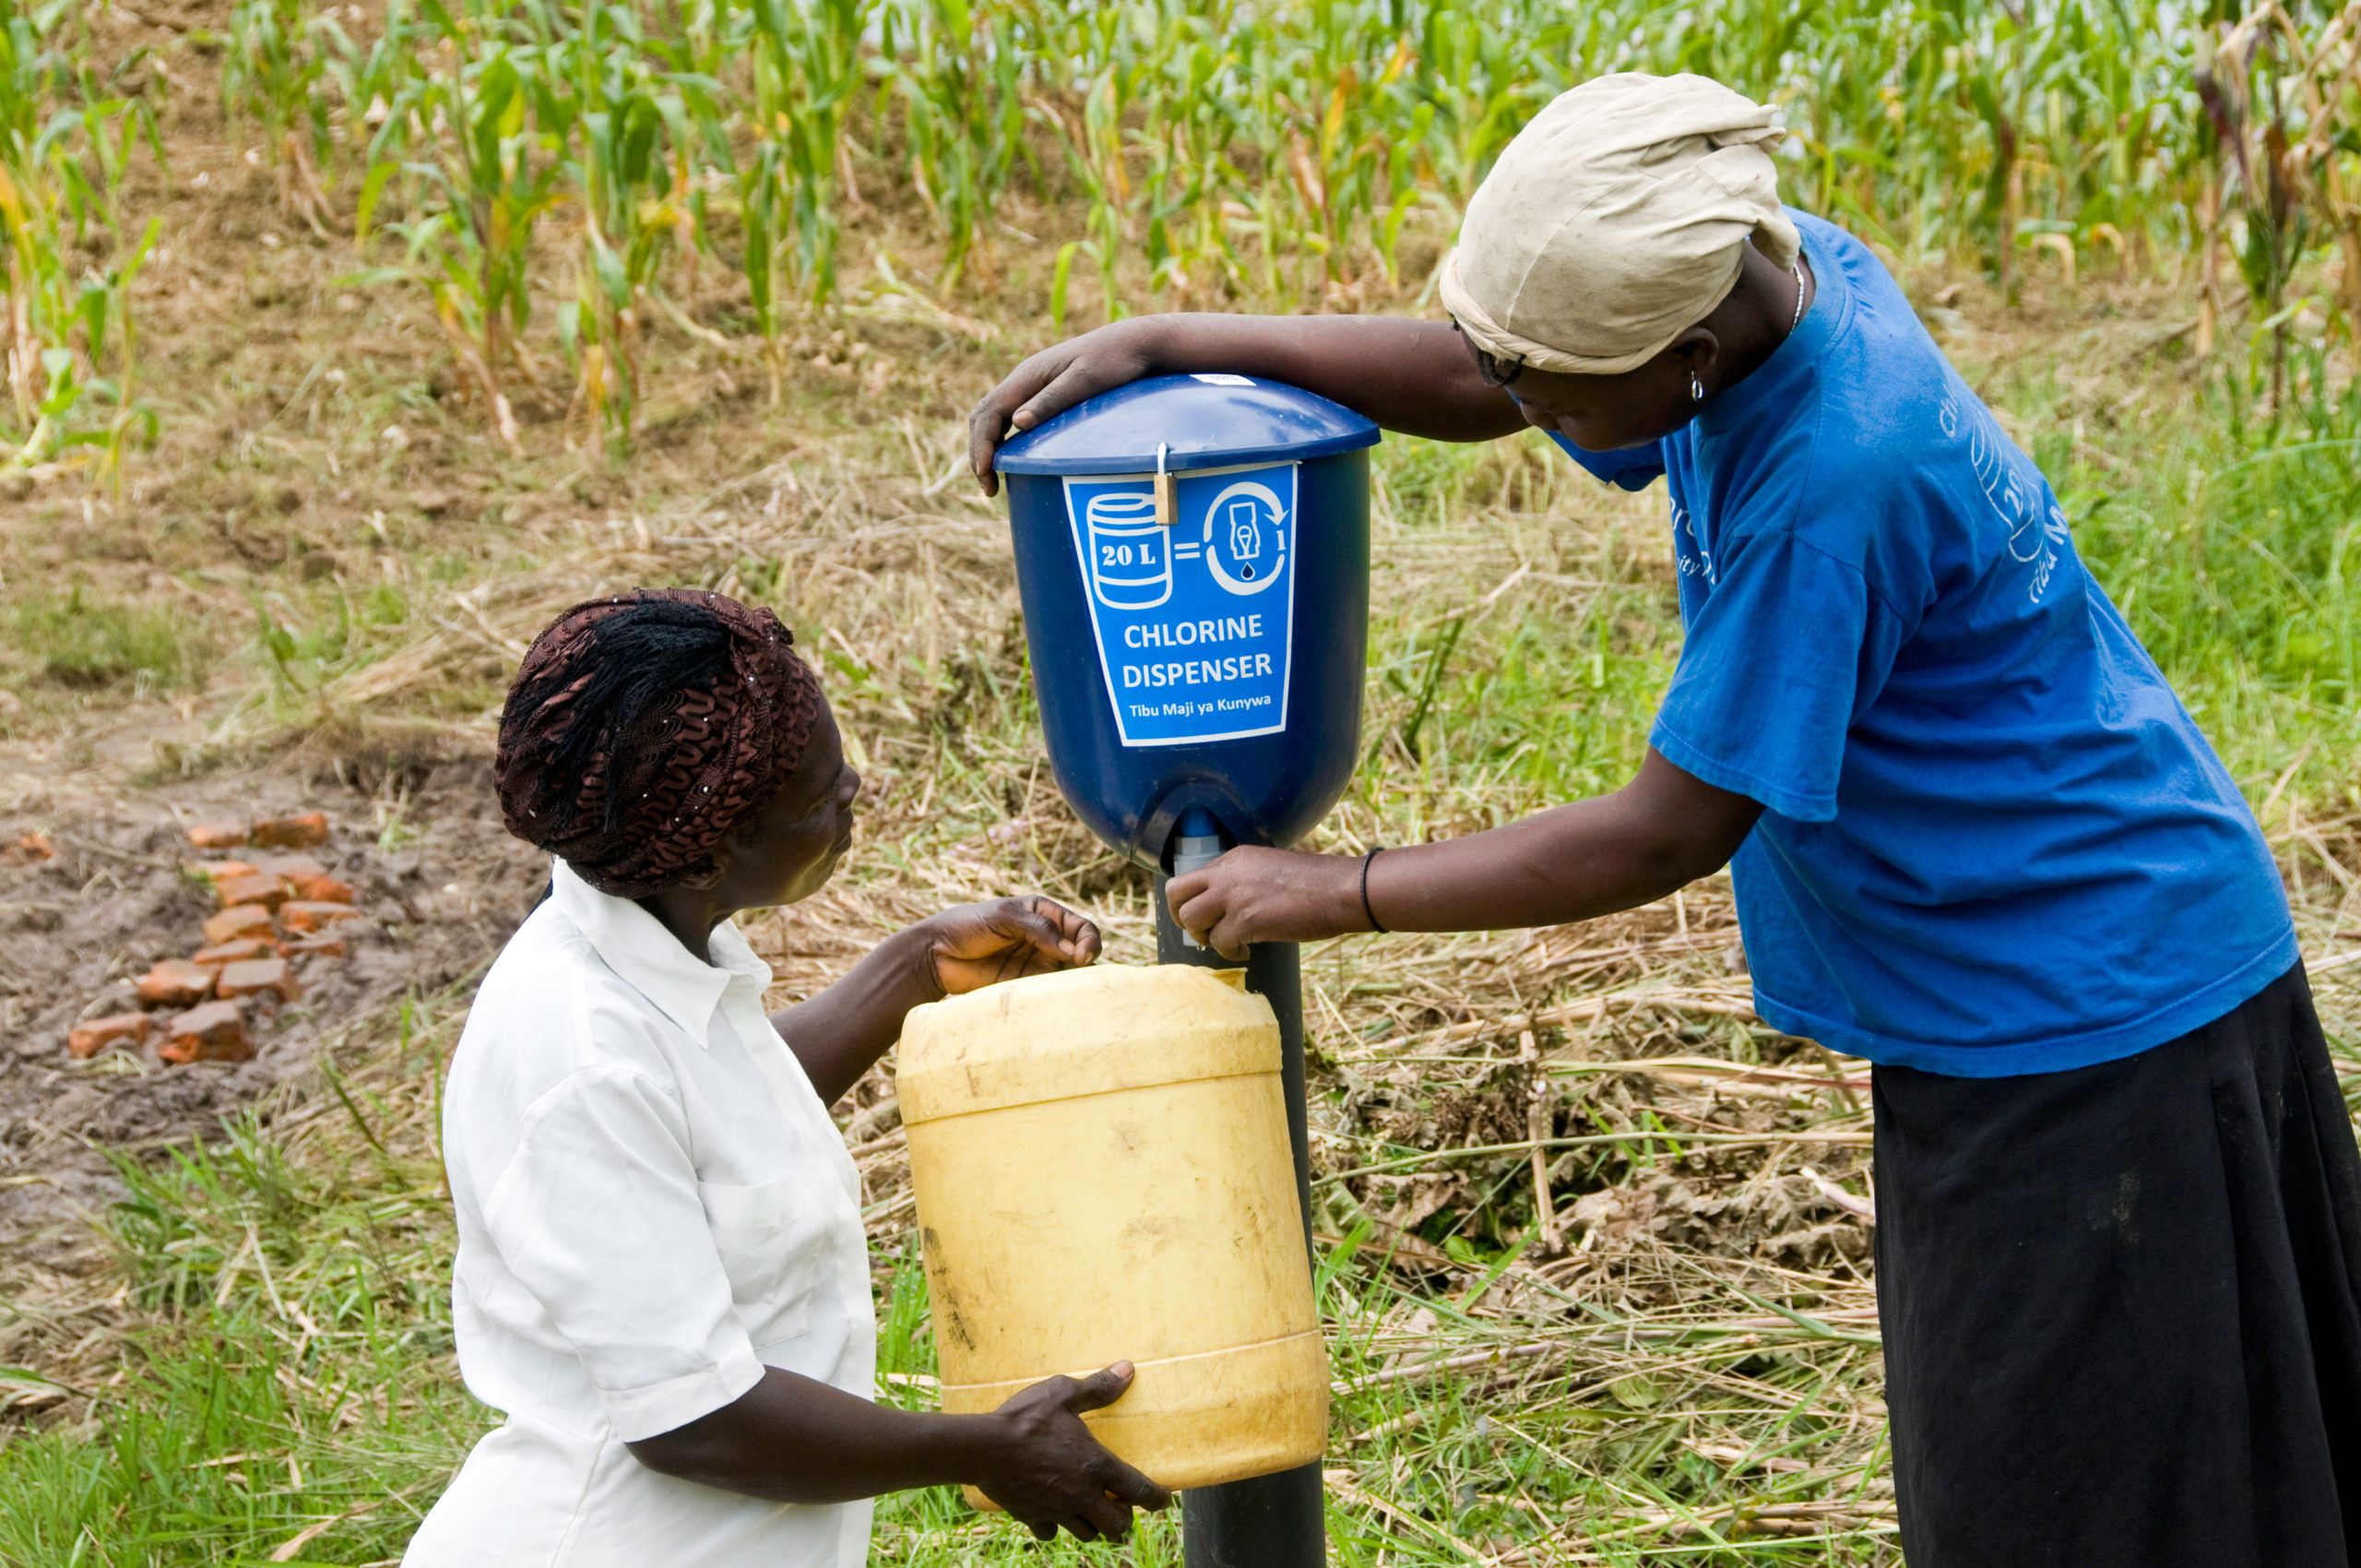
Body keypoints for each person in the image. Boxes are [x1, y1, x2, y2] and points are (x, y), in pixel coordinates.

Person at [967, 71, 2361, 1568]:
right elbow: (1478, 370)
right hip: (2050, 971)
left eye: (1549, 387)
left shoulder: (1833, 479)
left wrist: (1340, 889)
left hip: (2093, 1026)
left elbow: (1667, 828)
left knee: (2076, 1503)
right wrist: (1178, 340)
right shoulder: (1751, 273)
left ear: (1684, 358)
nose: (1520, 406)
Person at [402, 588, 1169, 1566]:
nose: (853, 788)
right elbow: (695, 1418)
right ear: (709, 846)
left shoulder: (649, 945)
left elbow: (717, 1125)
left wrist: (914, 967)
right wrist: (987, 1444)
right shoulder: (579, 1056)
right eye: (816, 797)